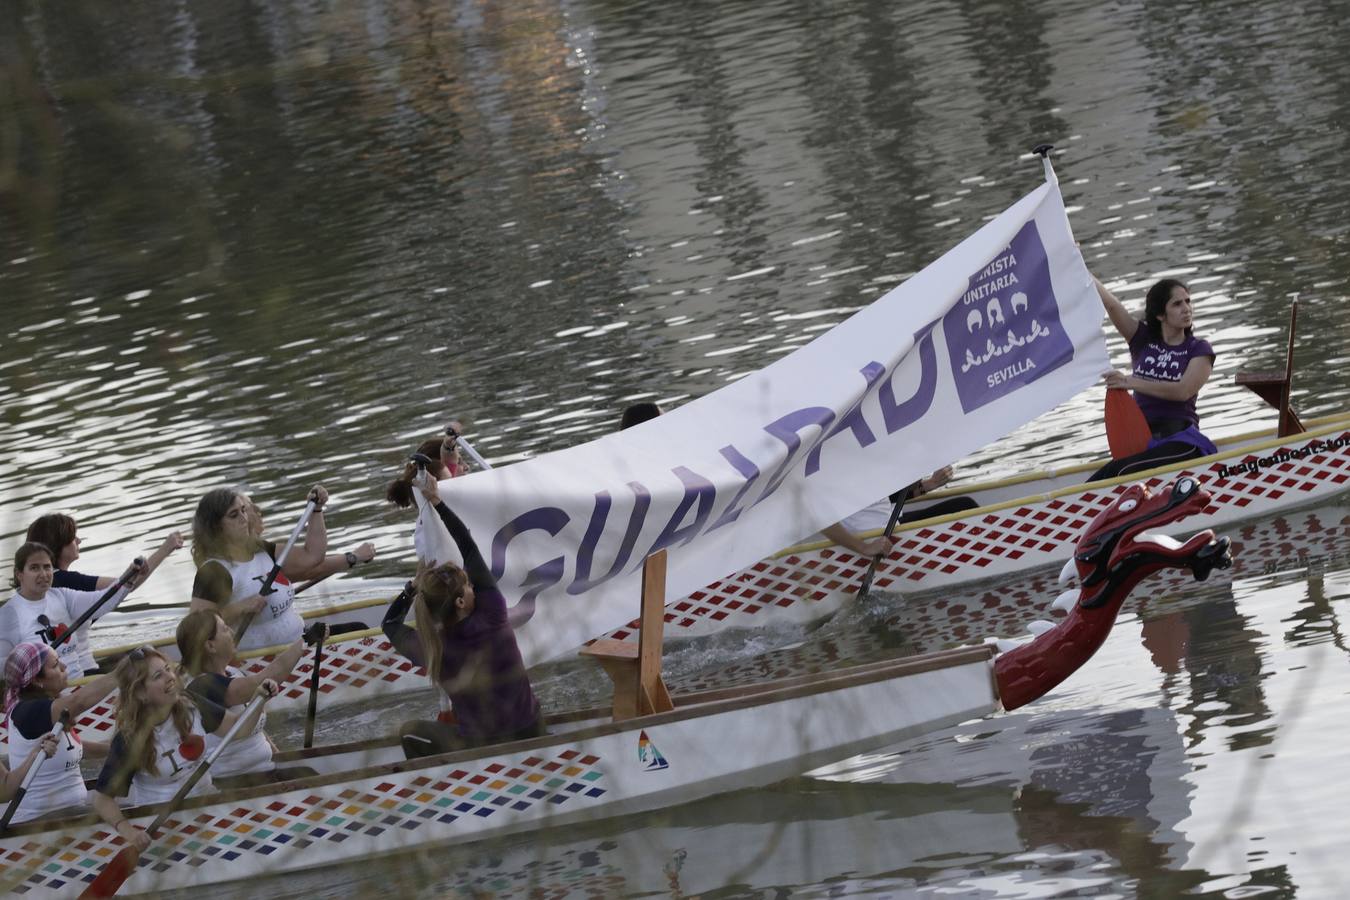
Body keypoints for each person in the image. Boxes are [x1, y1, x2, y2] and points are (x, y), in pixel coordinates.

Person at [382, 474, 544, 759]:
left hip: (483, 747)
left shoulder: (432, 648)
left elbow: (390, 624)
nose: (474, 588)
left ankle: (443, 790)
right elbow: (468, 546)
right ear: (459, 602)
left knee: (409, 730)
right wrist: (437, 501)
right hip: (531, 730)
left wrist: (411, 589)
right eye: (469, 586)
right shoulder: (493, 613)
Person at [91, 646, 277, 849]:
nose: (170, 677)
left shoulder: (191, 705)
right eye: (158, 676)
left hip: (208, 807)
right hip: (162, 824)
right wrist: (128, 832)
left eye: (168, 669)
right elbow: (101, 799)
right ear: (141, 693)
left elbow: (238, 730)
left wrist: (259, 698)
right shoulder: (128, 739)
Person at [189, 485, 371, 650]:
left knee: (359, 629)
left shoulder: (262, 550)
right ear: (215, 527)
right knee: (362, 636)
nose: (244, 518)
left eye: (243, 510)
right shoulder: (215, 571)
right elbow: (196, 628)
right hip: (261, 661)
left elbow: (312, 556)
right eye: (234, 515)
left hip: (299, 641)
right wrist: (240, 608)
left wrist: (315, 510)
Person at [1089, 275, 1217, 481]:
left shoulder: (1198, 349)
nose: (1186, 308)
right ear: (1160, 314)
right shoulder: (1142, 339)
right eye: (1177, 304)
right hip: (1142, 441)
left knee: (1122, 472)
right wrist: (1076, 261)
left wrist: (1129, 382)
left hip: (1181, 442)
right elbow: (1111, 305)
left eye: (1188, 301)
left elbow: (1182, 391)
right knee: (1099, 479)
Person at [23, 513, 183, 673]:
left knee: (134, 654)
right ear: (58, 545)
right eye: (73, 537)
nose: (79, 540)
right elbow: (125, 586)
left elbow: (121, 588)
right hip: (81, 675)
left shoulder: (43, 584)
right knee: (155, 660)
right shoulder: (64, 581)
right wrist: (166, 548)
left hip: (78, 667)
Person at [175, 609, 317, 787]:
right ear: (210, 646)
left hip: (265, 770)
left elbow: (257, 727)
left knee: (310, 775)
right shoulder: (203, 686)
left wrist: (281, 758)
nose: (232, 633)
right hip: (237, 783)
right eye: (225, 629)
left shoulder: (233, 672)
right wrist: (305, 641)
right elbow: (265, 678)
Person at [0, 542, 147, 680]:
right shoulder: (9, 614)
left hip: (78, 684)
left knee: (147, 656)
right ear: (19, 574)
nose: (43, 574)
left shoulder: (61, 596)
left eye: (47, 567)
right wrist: (32, 663)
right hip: (48, 696)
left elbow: (104, 601)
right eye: (34, 568)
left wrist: (130, 576)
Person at [3, 642, 108, 823]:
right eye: (55, 665)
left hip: (72, 811)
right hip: (40, 822)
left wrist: (120, 748)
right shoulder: (28, 712)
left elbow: (76, 749)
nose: (64, 666)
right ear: (36, 680)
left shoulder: (47, 708)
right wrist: (122, 675)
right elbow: (79, 702)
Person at [820, 465, 978, 555]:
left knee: (963, 505)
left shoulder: (860, 460)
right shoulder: (826, 470)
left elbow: (878, 498)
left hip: (891, 524)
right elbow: (818, 519)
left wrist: (929, 484)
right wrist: (864, 548)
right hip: (876, 539)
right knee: (966, 506)